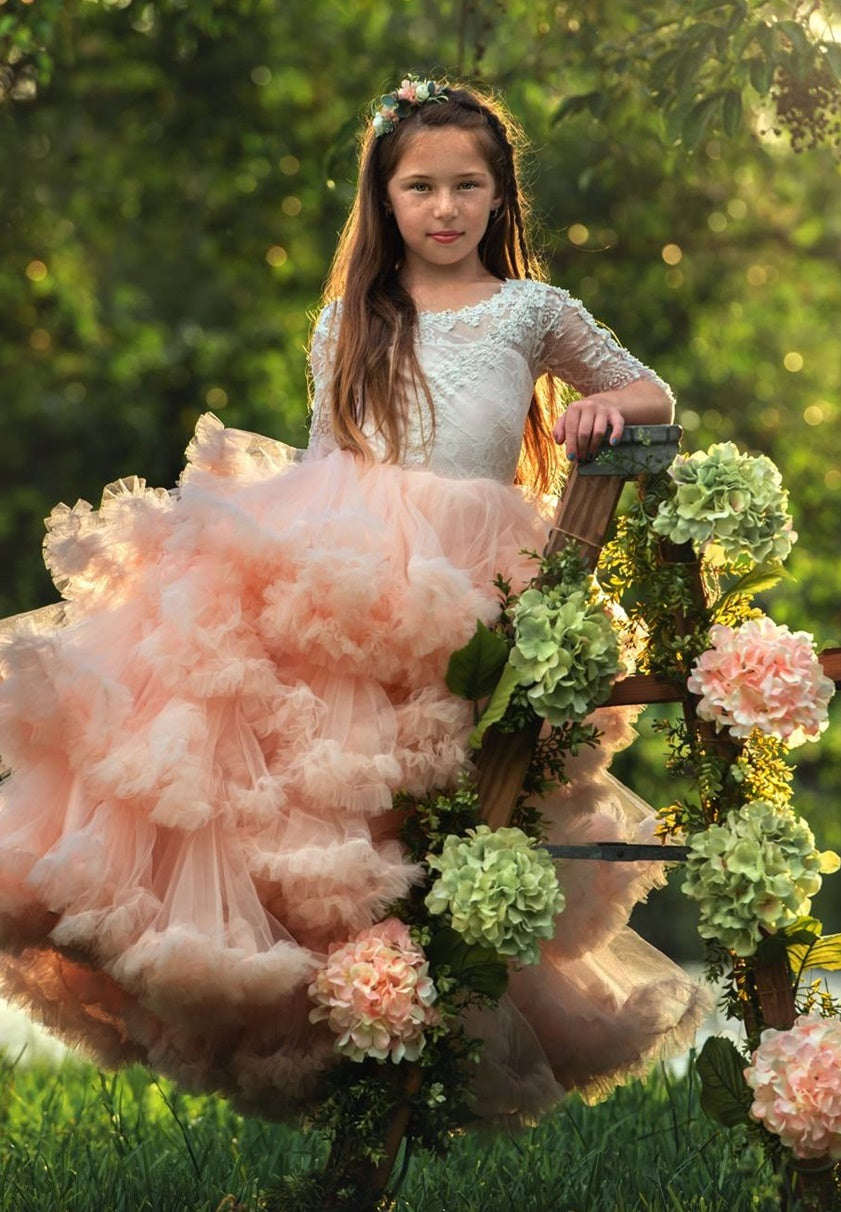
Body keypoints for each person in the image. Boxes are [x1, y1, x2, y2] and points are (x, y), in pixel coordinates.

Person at [0, 74, 708, 1122]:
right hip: (341, 564)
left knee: (423, 794)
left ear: (501, 197)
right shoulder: (349, 320)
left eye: (468, 185)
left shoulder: (531, 308)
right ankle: (311, 987)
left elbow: (649, 388)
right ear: (384, 202)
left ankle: (411, 1007)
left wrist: (602, 407)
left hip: (469, 573)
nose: (444, 208)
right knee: (273, 767)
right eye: (418, 187)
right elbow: (330, 458)